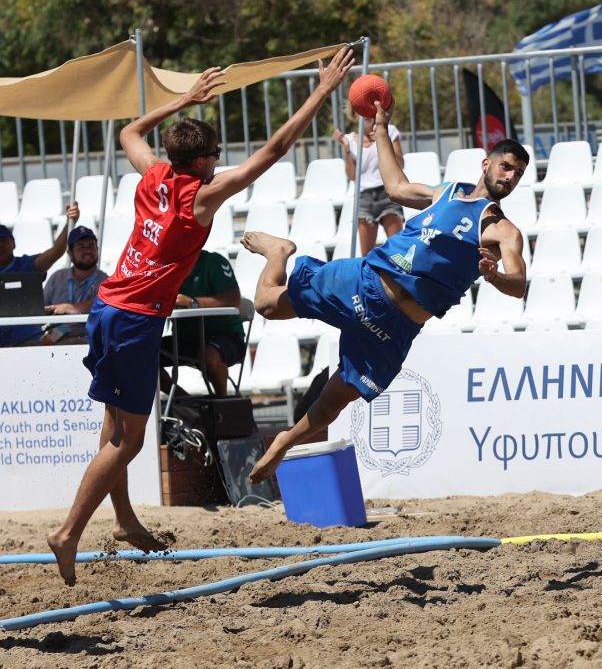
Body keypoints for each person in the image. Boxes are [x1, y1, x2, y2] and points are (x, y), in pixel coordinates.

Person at [46, 45, 356, 587]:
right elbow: (275, 150)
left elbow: (128, 134)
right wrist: (322, 91)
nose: (220, 158)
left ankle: (123, 520)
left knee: (113, 425)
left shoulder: (154, 174)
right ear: (205, 159)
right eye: (215, 152)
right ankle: (68, 532)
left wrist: (182, 99)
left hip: (107, 308)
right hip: (136, 318)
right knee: (129, 442)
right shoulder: (200, 197)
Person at [242, 99, 529, 485]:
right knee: (265, 305)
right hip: (365, 282)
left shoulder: (503, 230)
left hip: (395, 328)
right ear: (487, 164)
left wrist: (494, 276)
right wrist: (380, 129)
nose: (510, 177)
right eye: (506, 166)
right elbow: (394, 187)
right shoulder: (445, 193)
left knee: (336, 399)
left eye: (518, 174)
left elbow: (520, 284)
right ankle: (279, 251)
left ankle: (282, 444)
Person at [159, 249, 245, 397]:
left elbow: (234, 299)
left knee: (209, 355)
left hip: (227, 337)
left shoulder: (214, 262)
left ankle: (221, 406)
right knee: (141, 354)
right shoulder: (165, 269)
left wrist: (192, 303)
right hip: (185, 339)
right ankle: (189, 406)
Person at [0, 204, 79, 347]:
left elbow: (56, 252)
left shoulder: (27, 265)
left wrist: (70, 222)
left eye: (3, 240)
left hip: (29, 341)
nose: (0, 245)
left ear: (13, 243)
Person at [334, 110, 405, 256]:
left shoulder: (389, 131)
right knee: (367, 255)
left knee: (398, 252)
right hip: (364, 198)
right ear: (354, 115)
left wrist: (383, 139)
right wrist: (347, 150)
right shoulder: (349, 139)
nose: (366, 115)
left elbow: (400, 164)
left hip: (388, 194)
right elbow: (353, 176)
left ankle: (398, 279)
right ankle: (372, 279)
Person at [40, 224, 108, 345]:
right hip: (55, 336)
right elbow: (40, 308)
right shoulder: (57, 277)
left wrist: (69, 308)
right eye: (81, 247)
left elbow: (101, 307)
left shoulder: (106, 281)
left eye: (91, 246)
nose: (87, 251)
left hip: (89, 337)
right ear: (70, 253)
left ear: (97, 249)